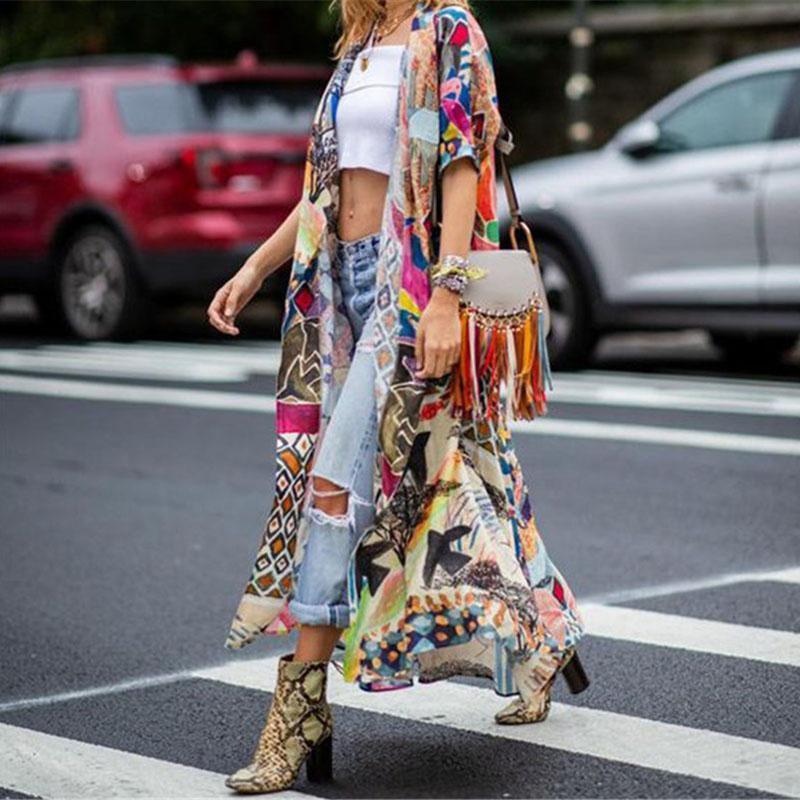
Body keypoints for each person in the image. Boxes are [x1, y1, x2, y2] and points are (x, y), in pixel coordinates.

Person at [207, 0, 589, 793]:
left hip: (405, 288)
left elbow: (461, 160)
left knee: (334, 486)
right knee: (472, 470)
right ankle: (546, 632)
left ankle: (299, 708)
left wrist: (447, 292)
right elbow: (325, 188)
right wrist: (254, 269)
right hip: (338, 289)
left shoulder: (448, 28)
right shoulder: (357, 48)